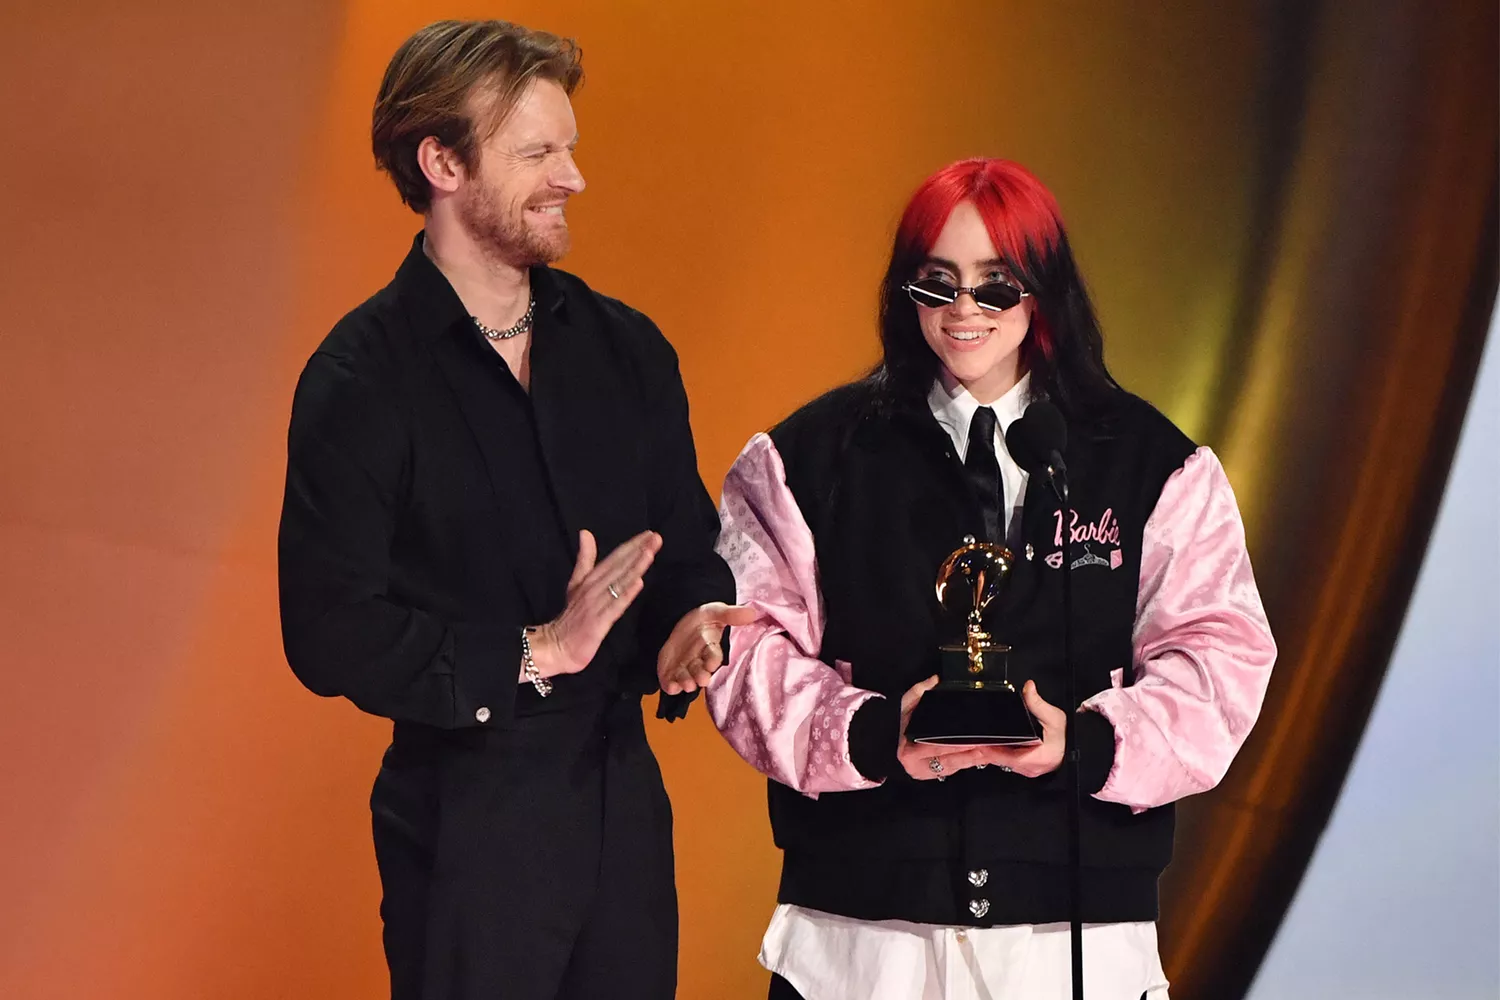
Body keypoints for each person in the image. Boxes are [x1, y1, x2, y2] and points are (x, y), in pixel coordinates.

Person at [697, 158, 1277, 1000]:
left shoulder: (1154, 465)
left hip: (1076, 945)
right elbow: (743, 652)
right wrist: (871, 735)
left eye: (995, 286)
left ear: (1042, 291)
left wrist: (1085, 745)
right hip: (859, 945)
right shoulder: (807, 459)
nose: (965, 312)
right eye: (937, 285)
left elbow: (1220, 664)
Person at [277, 19, 749, 1000]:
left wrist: (690, 628)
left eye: (569, 146)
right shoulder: (361, 380)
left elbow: (687, 545)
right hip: (466, 823)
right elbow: (326, 629)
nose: (572, 176)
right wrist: (537, 649)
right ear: (441, 161)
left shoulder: (629, 352)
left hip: (623, 813)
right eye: (537, 152)